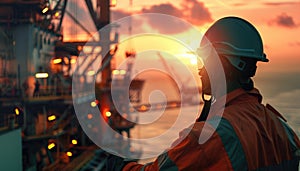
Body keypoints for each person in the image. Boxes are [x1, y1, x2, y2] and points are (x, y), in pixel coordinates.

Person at [106, 17, 300, 170]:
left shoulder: (208, 137)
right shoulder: (283, 130)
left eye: (204, 61)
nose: (199, 70)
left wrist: (121, 166)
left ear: (221, 65)